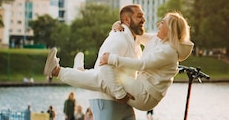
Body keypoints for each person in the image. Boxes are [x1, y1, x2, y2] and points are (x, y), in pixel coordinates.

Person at [45, 11, 194, 112]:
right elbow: (137, 35)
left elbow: (143, 64)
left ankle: (57, 71)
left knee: (104, 79)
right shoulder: (158, 40)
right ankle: (79, 73)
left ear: (170, 30)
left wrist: (112, 58)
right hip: (141, 86)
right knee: (106, 77)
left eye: (163, 23)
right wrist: (118, 25)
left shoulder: (169, 52)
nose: (158, 25)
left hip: (147, 95)